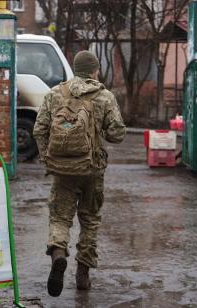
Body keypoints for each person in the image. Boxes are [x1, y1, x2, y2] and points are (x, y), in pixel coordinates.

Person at [33, 50, 126, 297]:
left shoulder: (55, 94)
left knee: (60, 218)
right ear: (95, 70)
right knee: (90, 219)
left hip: (62, 170)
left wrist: (48, 159)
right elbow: (117, 134)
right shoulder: (105, 96)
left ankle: (58, 255)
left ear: (75, 69)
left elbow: (39, 130)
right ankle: (83, 275)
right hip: (92, 169)